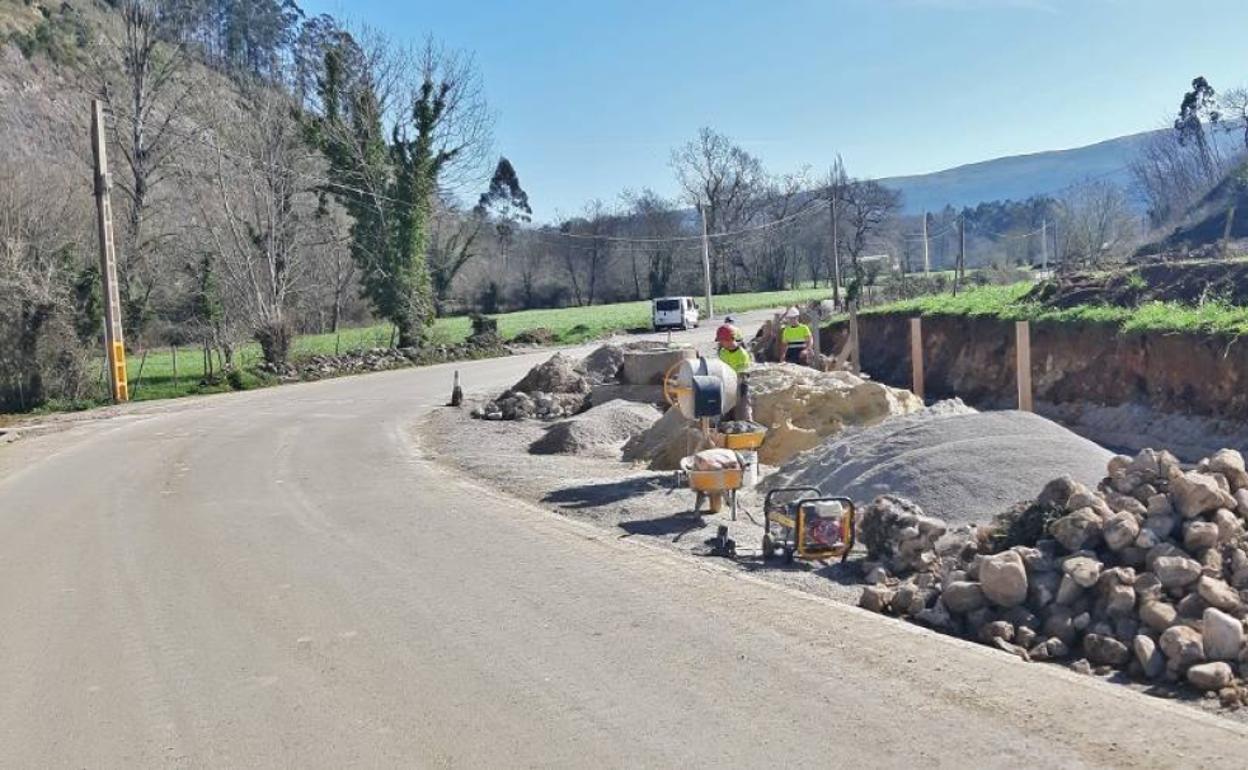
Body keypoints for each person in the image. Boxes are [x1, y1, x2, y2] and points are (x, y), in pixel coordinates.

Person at [716, 323, 752, 421]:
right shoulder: (723, 352)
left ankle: (748, 425)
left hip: (740, 384)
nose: (720, 343)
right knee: (726, 412)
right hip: (727, 385)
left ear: (729, 339)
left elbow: (741, 375)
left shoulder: (742, 355)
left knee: (743, 410)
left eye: (721, 341)